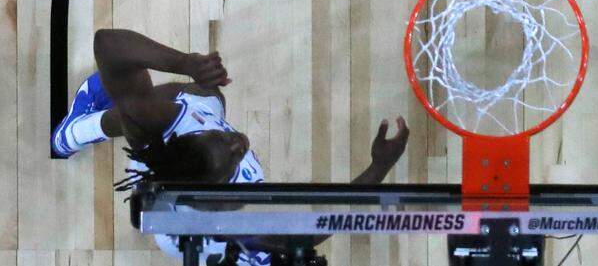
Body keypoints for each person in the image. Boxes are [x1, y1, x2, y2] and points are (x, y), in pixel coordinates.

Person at [51, 28, 409, 265]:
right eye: (229, 142)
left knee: (138, 113)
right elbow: (312, 231)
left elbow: (108, 44)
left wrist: (184, 66)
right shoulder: (258, 231)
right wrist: (378, 167)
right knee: (202, 96)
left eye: (229, 144)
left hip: (173, 191)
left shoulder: (166, 131)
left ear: (218, 194)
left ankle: (72, 134)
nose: (240, 141)